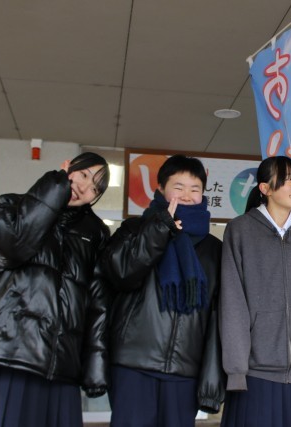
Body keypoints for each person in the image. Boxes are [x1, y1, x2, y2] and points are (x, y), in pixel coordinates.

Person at [0, 152, 111, 427]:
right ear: (68, 168)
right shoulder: (10, 206)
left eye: (95, 188)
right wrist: (55, 188)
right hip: (14, 353)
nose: (85, 187)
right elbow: (16, 244)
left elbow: (97, 303)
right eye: (83, 175)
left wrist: (95, 367)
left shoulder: (95, 233)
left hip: (63, 362)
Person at [100, 155, 224, 427]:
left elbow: (217, 317)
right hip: (133, 362)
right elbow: (121, 273)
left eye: (195, 188)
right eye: (178, 187)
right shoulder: (134, 229)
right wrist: (160, 228)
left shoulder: (214, 249)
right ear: (160, 189)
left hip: (185, 370)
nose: (187, 195)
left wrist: (211, 378)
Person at [220, 156, 291, 427]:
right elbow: (232, 303)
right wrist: (236, 370)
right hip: (255, 376)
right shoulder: (240, 230)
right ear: (265, 188)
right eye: (288, 179)